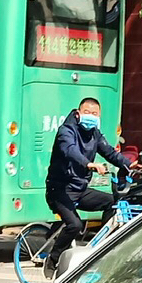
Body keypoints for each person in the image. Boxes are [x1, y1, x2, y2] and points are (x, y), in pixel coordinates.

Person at [43, 96, 125, 269]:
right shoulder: (66, 131)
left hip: (80, 188)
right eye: (87, 112)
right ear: (79, 114)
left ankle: (102, 245)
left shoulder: (95, 134)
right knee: (75, 225)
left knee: (114, 203)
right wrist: (89, 164)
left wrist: (130, 163)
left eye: (95, 114)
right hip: (59, 189)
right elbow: (70, 150)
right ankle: (53, 259)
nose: (91, 116)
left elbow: (110, 152)